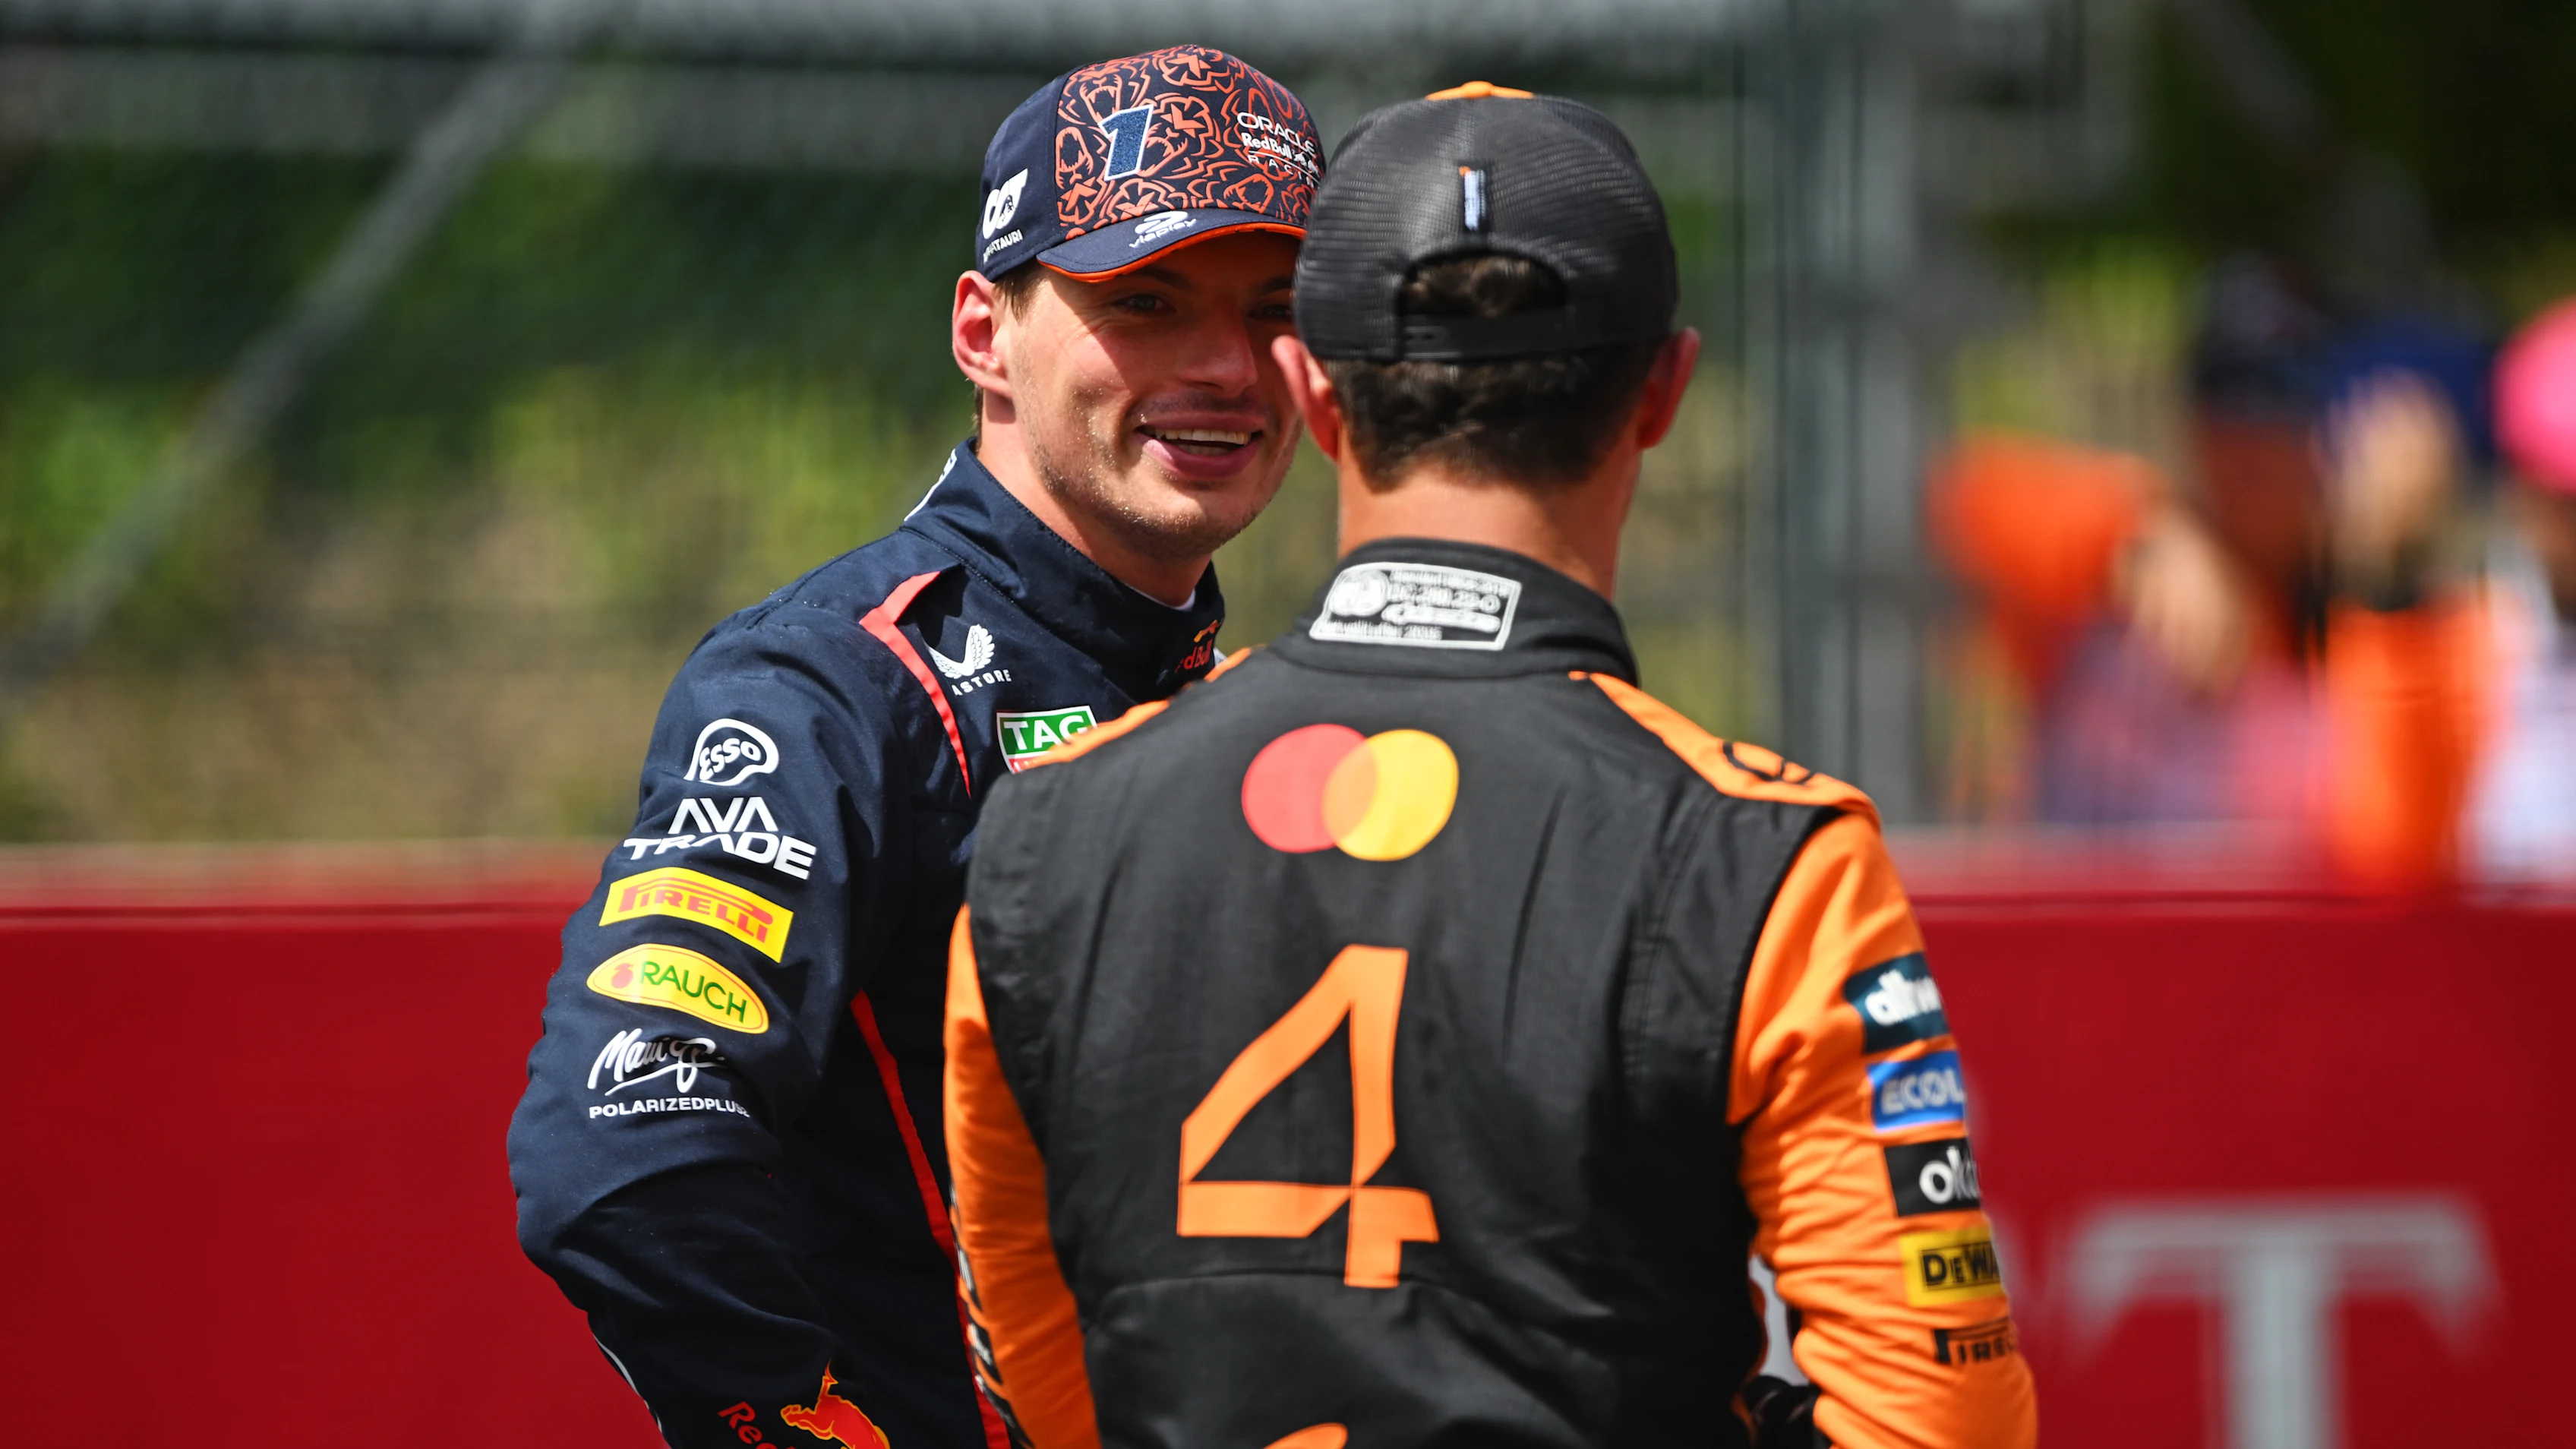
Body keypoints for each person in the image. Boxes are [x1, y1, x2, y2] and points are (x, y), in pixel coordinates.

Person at [944, 88, 2038, 1449]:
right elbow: (1941, 1416)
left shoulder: (1043, 835)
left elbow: (1048, 1387)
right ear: (1664, 392)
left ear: (1315, 394)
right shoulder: (1766, 859)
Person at [506, 47, 1322, 1449]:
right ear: (983, 333)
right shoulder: (833, 683)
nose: (1226, 367)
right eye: (1146, 301)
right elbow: (624, 1150)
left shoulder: (1254, 694)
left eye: (1276, 310)